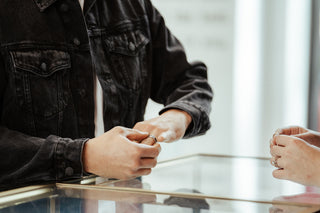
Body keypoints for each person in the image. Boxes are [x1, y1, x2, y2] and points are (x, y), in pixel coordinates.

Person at [0, 0, 213, 188]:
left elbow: (190, 79)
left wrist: (176, 116)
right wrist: (84, 155)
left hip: (126, 200)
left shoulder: (133, 5)